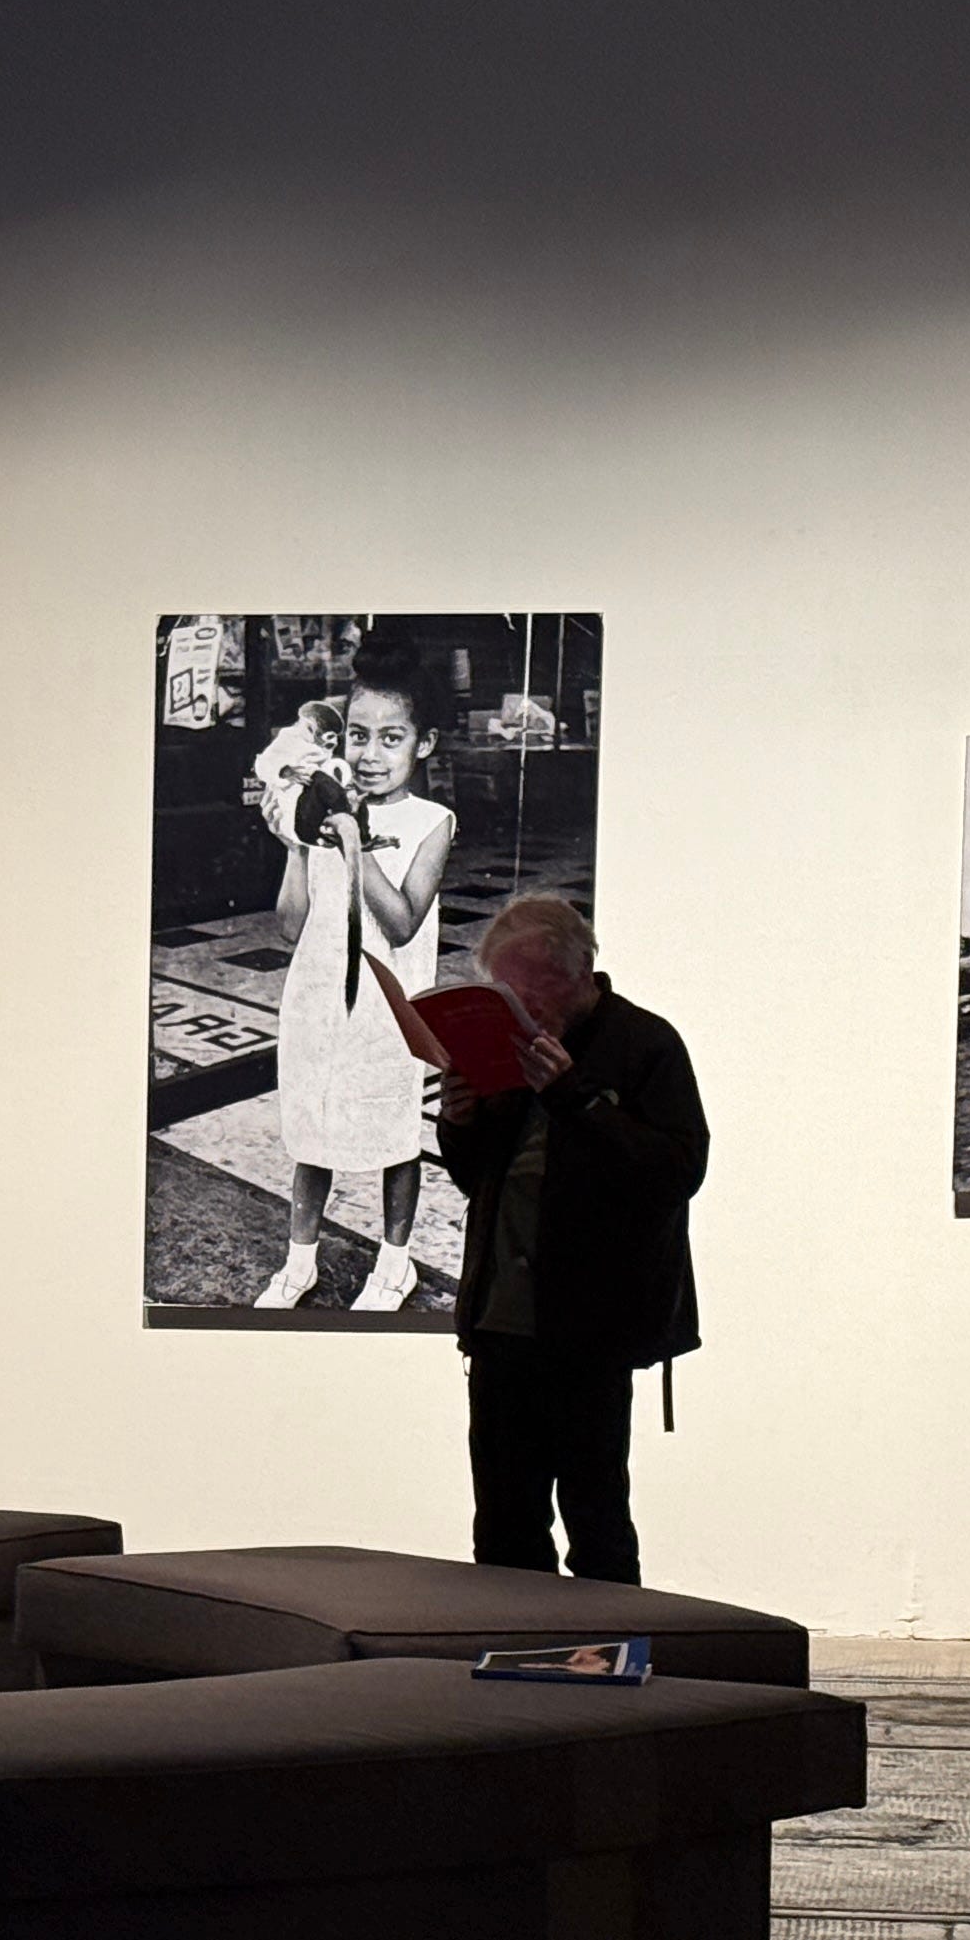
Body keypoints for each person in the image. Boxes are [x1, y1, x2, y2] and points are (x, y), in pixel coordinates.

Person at [429, 893, 708, 1584]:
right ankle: (512, 1648)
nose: (517, 1011)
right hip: (502, 1322)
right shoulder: (511, 1046)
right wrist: (460, 1123)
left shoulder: (646, 1044)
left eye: (528, 994)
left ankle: (606, 1649)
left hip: (592, 1330)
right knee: (504, 1525)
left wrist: (573, 1095)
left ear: (578, 974)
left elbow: (678, 1171)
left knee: (597, 1519)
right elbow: (481, 1180)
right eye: (504, 995)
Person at [255, 651, 455, 1312]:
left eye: (392, 738)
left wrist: (354, 843)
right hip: (318, 999)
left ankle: (395, 1265)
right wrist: (296, 846)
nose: (371, 754)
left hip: (388, 1009)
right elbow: (291, 926)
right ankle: (298, 1262)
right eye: (358, 736)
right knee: (313, 1128)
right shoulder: (324, 812)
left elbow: (401, 922)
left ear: (424, 744)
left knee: (394, 1133)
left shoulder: (432, 822)